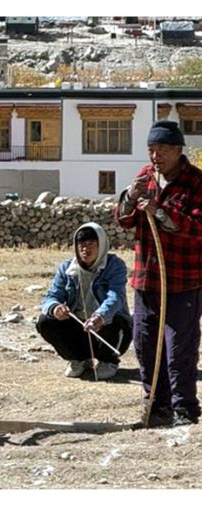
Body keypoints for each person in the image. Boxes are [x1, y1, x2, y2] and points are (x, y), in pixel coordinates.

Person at [116, 119, 202, 427]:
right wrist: (129, 197)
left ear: (179, 150)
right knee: (145, 343)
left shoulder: (196, 182)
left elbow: (196, 228)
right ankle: (156, 404)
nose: (156, 157)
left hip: (182, 282)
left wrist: (161, 212)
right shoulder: (144, 178)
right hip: (146, 279)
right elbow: (124, 220)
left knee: (179, 348)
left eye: (163, 149)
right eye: (152, 150)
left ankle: (184, 409)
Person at [36, 222, 133, 380]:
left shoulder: (115, 265)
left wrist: (100, 316)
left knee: (115, 322)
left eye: (91, 244)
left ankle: (108, 360)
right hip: (79, 325)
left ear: (101, 245)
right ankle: (79, 359)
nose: (85, 249)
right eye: (81, 244)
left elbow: (116, 297)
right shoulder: (67, 268)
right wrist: (55, 308)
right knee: (45, 321)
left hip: (106, 323)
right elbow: (52, 296)